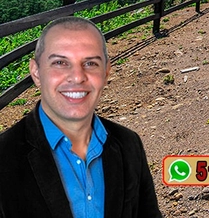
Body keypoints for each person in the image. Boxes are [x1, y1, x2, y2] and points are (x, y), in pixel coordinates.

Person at [0, 16, 163, 218]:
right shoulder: (4, 157)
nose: (77, 77)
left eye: (90, 63)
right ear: (36, 72)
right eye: (60, 62)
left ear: (106, 72)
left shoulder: (129, 144)